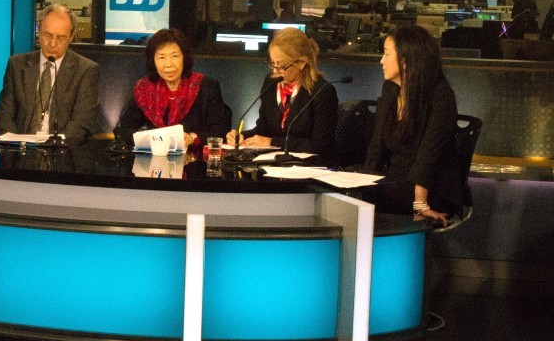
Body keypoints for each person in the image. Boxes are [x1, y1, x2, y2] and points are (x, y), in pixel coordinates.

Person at [363, 24, 465, 225]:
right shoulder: (390, 89)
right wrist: (364, 178)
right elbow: (377, 145)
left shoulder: (440, 96)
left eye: (386, 54)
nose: (381, 61)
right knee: (351, 189)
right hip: (394, 176)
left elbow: (428, 156)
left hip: (430, 184)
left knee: (377, 196)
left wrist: (420, 204)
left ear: (406, 61)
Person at [226, 27, 338, 161]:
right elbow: (264, 130)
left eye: (281, 66)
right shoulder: (271, 83)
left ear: (301, 63)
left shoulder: (323, 91)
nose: (275, 71)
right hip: (274, 165)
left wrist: (272, 142)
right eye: (272, 64)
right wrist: (242, 136)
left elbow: (321, 146)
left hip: (308, 168)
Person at [0, 4, 99, 141]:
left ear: (71, 36)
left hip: (62, 153)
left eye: (61, 38)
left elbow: (82, 124)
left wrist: (53, 145)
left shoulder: (86, 70)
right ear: (38, 30)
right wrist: (15, 143)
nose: (53, 44)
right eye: (48, 35)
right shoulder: (17, 65)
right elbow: (4, 117)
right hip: (20, 151)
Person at [116, 28, 232, 149]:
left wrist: (192, 138)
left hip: (195, 160)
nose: (169, 64)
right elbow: (123, 129)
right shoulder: (144, 88)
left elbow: (220, 131)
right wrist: (148, 139)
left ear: (184, 58)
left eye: (175, 56)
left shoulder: (207, 86)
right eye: (161, 57)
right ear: (153, 61)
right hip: (154, 162)